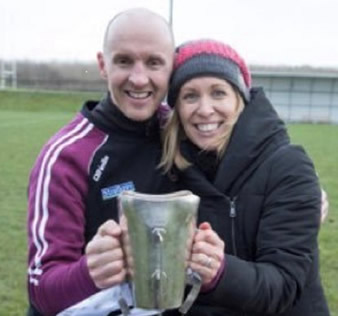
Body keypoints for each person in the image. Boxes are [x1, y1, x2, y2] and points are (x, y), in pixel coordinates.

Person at [160, 39, 330, 315]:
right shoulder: (169, 167)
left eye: (218, 93)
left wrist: (221, 272)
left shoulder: (288, 167)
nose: (204, 109)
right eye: (190, 96)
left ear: (240, 99)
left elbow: (284, 285)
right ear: (176, 108)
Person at [26, 8, 176, 316]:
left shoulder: (182, 135)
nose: (138, 78)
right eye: (124, 61)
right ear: (102, 65)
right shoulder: (67, 156)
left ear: (171, 67)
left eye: (153, 62)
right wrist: (89, 272)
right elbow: (42, 290)